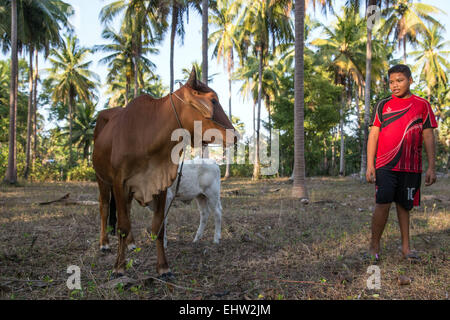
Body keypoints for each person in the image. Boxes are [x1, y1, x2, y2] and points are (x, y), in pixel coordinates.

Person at [365, 64, 437, 262]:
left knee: (405, 206)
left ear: (410, 80)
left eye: (400, 80)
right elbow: (373, 135)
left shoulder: (422, 105)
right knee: (383, 203)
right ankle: (374, 247)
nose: (395, 85)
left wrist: (431, 166)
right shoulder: (382, 105)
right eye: (391, 82)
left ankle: (406, 249)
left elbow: (429, 135)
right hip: (385, 165)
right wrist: (370, 165)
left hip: (411, 166)